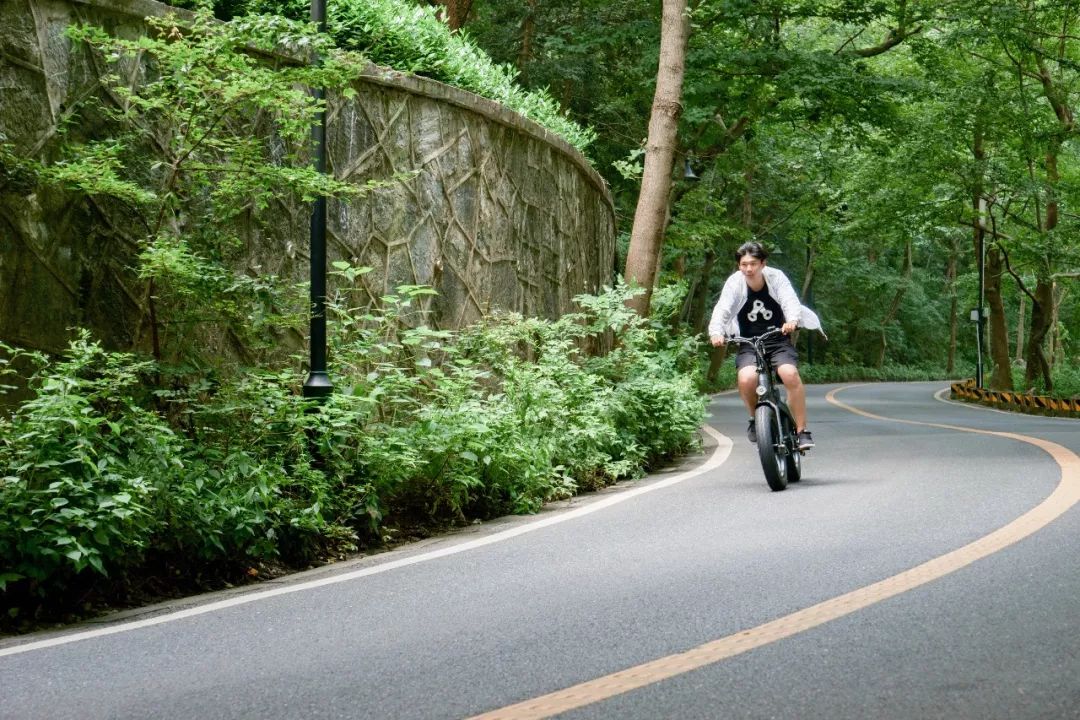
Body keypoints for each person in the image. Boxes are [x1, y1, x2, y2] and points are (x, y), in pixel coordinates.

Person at [707, 242, 824, 450]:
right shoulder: (735, 283)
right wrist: (716, 332)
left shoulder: (776, 277)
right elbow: (722, 309)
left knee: (789, 374)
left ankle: (802, 431)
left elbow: (789, 300)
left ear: (763, 263)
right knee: (746, 379)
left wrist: (792, 320)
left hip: (777, 338)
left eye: (753, 264)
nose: (748, 269)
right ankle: (756, 418)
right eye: (744, 264)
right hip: (748, 342)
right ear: (739, 266)